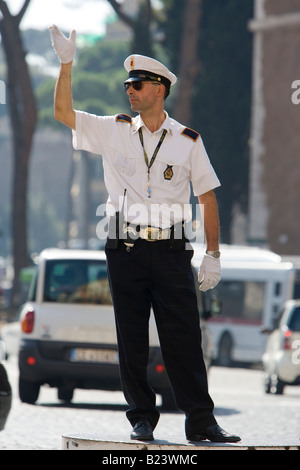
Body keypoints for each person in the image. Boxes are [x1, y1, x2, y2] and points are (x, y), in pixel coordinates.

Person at [49, 25, 241, 443]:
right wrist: (67, 65)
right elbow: (63, 114)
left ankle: (201, 421)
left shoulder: (188, 141)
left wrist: (214, 254)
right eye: (126, 85)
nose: (129, 91)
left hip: (173, 250)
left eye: (136, 84)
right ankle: (140, 418)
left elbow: (207, 196)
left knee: (184, 339)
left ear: (160, 89)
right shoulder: (114, 129)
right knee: (131, 337)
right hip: (125, 247)